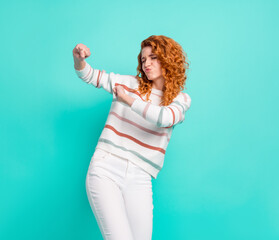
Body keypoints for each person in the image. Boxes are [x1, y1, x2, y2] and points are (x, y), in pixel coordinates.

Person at [73, 35, 191, 240]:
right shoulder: (129, 83)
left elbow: (164, 118)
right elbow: (89, 75)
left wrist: (128, 100)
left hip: (140, 176)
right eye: (143, 59)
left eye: (153, 57)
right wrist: (79, 59)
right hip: (106, 167)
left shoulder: (179, 100)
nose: (147, 63)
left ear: (168, 59)